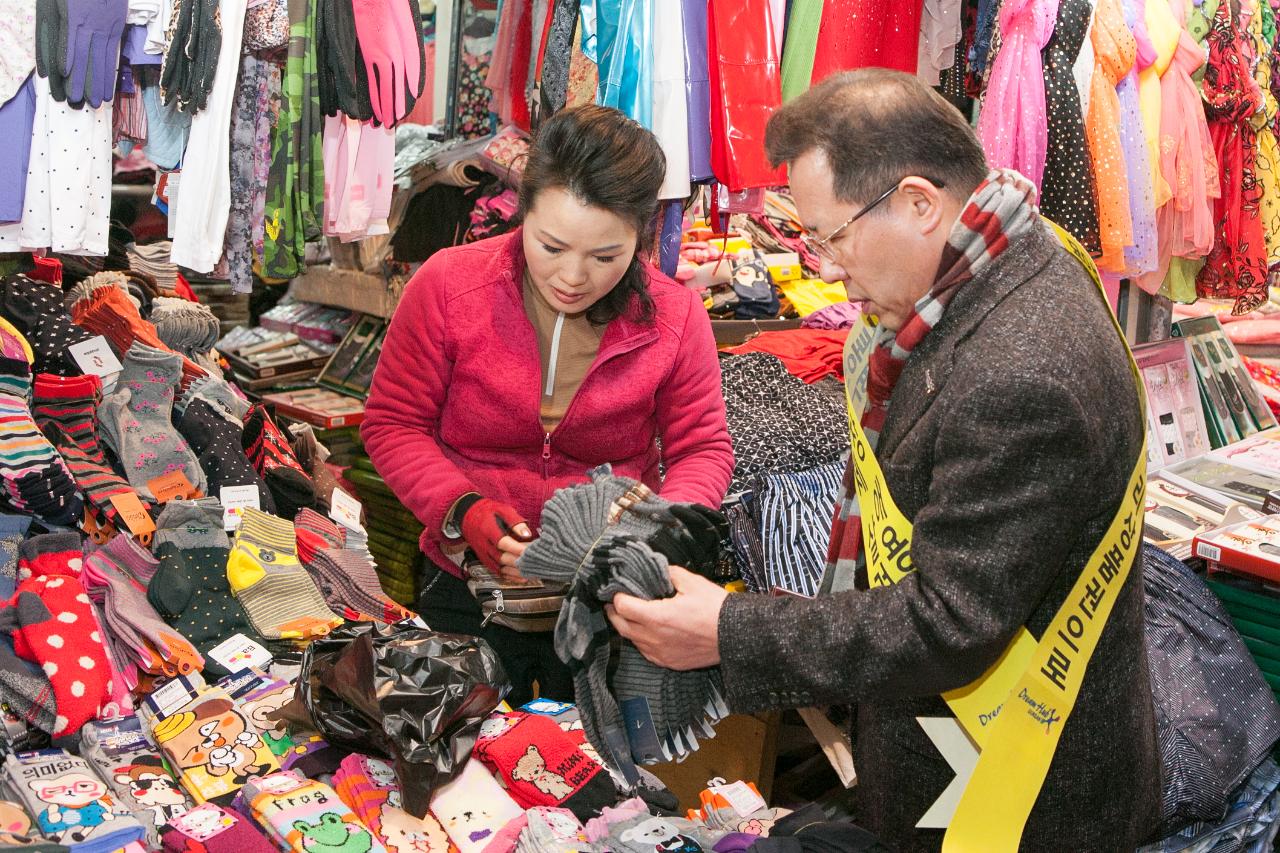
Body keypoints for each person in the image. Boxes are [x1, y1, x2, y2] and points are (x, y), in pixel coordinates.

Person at [607, 69, 1160, 851]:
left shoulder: (1022, 371)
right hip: (952, 753)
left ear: (918, 201)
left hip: (1017, 789)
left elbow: (945, 621)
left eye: (832, 235)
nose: (826, 267)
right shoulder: (1010, 247)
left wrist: (729, 630)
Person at [361, 105, 734, 706]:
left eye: (606, 257)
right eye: (552, 245)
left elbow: (702, 446)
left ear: (641, 234)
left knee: (596, 777)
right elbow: (394, 423)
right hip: (468, 588)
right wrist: (461, 510)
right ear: (522, 210)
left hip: (607, 605)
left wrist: (652, 534)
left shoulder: (674, 315)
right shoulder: (449, 285)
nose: (573, 276)